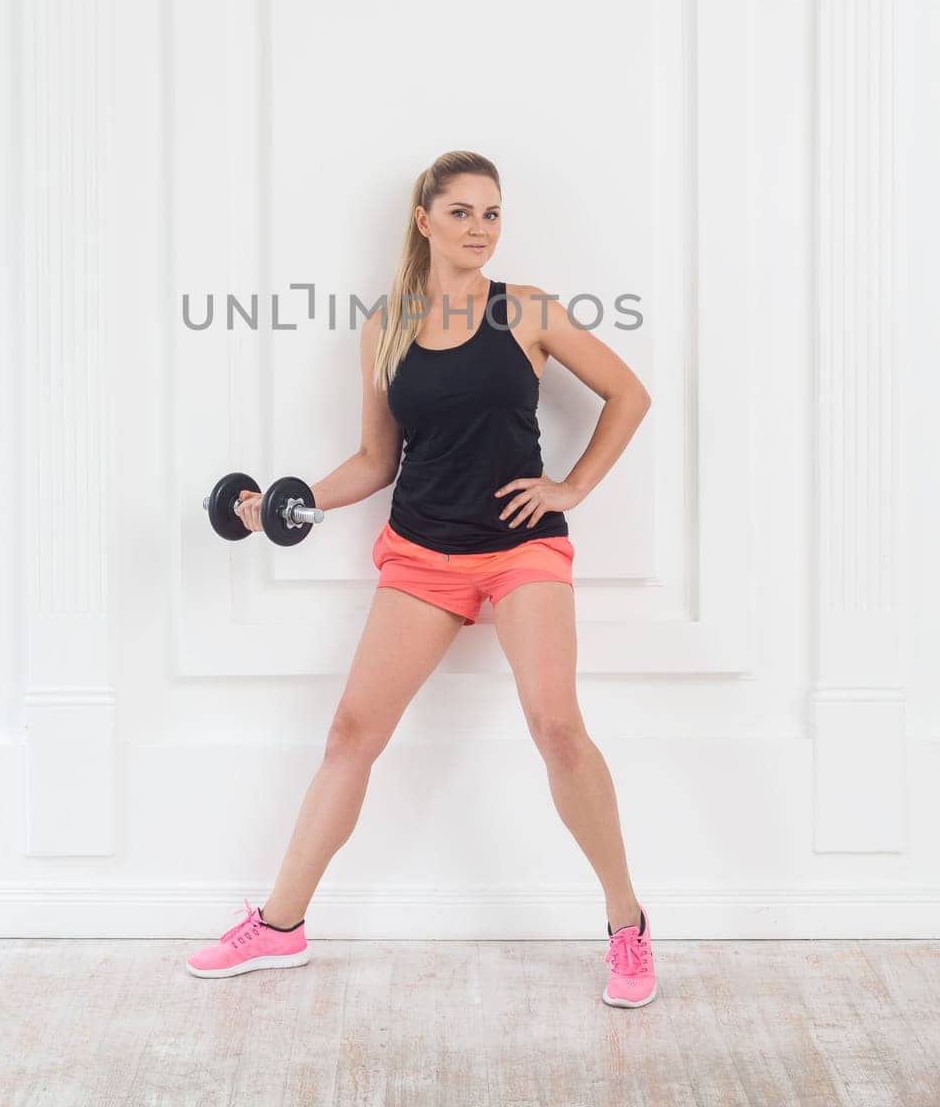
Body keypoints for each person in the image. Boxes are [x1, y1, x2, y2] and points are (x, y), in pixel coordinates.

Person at [186, 149, 657, 1008]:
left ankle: (626, 926)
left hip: (521, 548)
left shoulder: (528, 311)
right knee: (349, 734)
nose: (480, 229)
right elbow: (375, 460)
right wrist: (279, 505)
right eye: (463, 213)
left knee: (556, 726)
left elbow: (629, 394)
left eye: (492, 214)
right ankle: (280, 926)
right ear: (424, 219)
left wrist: (572, 487)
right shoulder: (387, 326)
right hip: (422, 551)